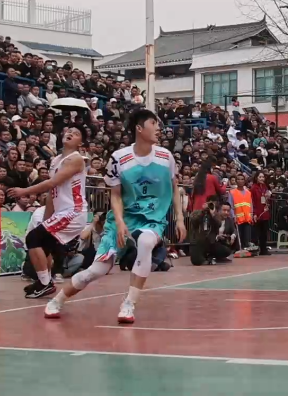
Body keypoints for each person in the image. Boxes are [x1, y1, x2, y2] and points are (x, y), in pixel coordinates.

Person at [44, 109, 186, 323]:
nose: (159, 128)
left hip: (152, 219)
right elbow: (116, 195)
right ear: (139, 128)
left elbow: (174, 188)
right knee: (96, 271)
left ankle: (129, 304)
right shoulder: (119, 158)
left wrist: (180, 219)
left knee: (146, 242)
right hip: (122, 218)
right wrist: (119, 222)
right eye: (153, 123)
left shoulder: (166, 157)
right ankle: (57, 300)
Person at [8, 126, 88, 298]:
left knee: (33, 237)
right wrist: (46, 219)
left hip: (74, 211)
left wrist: (24, 191)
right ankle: (44, 281)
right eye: (69, 131)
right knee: (42, 244)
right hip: (62, 212)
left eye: (76, 134)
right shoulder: (57, 159)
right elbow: (52, 193)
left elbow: (52, 183)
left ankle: (45, 283)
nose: (70, 133)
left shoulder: (76, 159)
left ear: (80, 143)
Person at [250, 171, 272, 255]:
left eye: (263, 177)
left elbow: (267, 200)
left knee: (264, 232)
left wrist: (269, 197)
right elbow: (253, 201)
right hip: (258, 213)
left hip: (265, 212)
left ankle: (263, 249)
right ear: (256, 178)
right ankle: (255, 249)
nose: (262, 178)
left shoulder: (265, 187)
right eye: (260, 177)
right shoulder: (253, 188)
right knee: (256, 232)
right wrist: (254, 213)